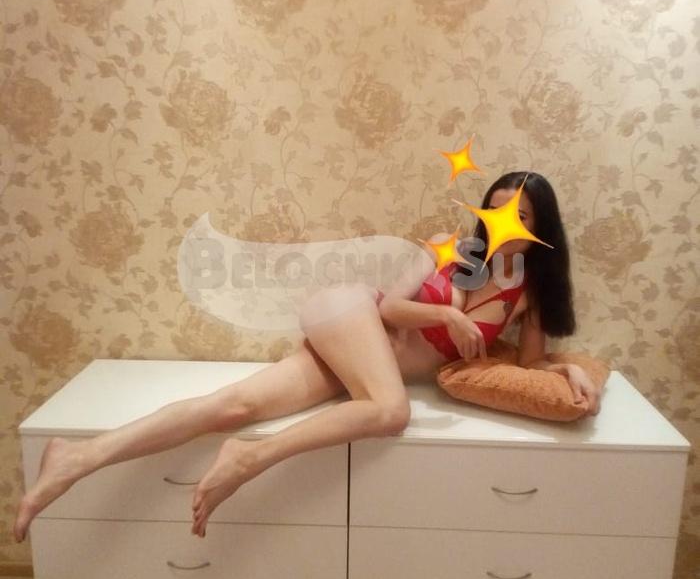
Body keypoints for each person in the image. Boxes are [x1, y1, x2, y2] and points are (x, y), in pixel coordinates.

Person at [13, 170, 601, 543]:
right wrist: (446, 315)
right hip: (350, 312)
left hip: (355, 363)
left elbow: (528, 368)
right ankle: (249, 458)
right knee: (391, 412)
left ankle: (77, 457)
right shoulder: (449, 250)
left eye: (520, 215)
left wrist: (567, 368)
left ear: (541, 227)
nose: (503, 223)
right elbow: (392, 306)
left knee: (232, 405)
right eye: (495, 209)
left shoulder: (527, 295)